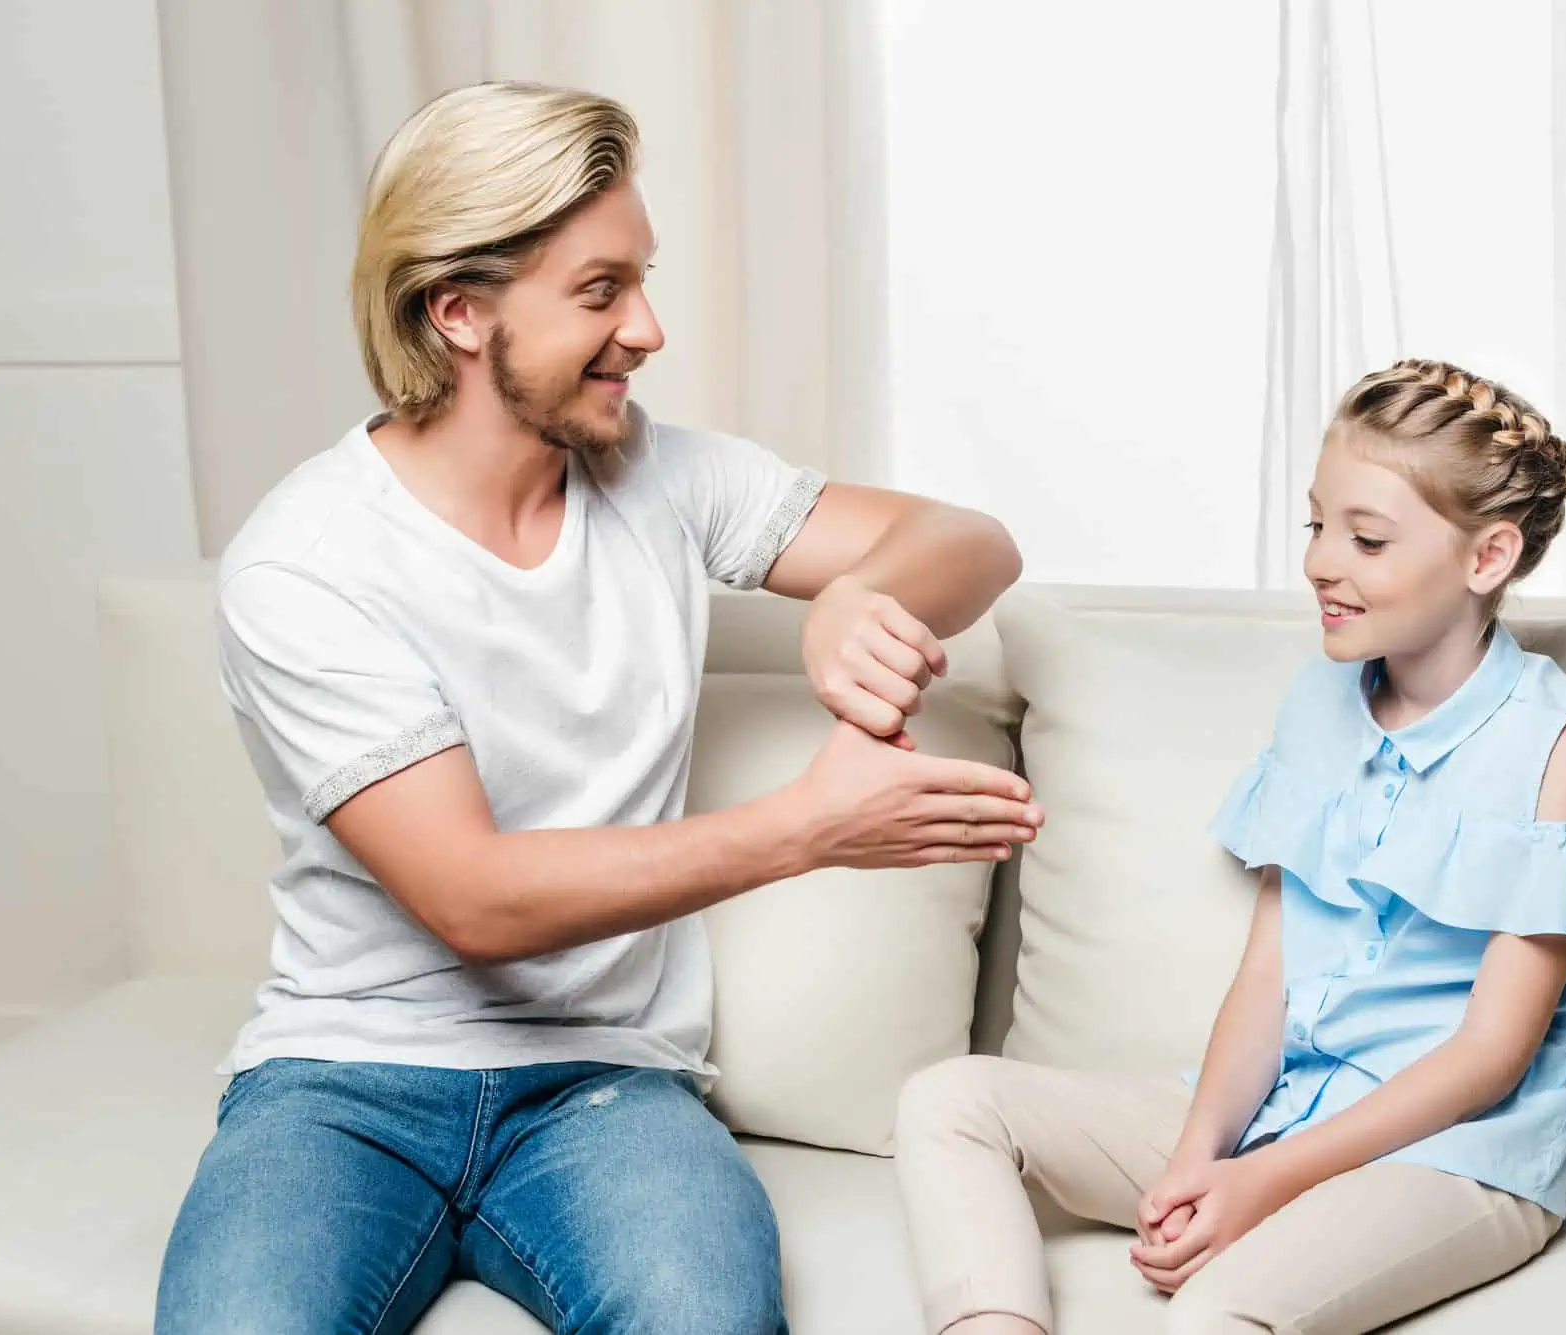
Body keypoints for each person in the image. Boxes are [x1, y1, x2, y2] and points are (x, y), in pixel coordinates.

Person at [155, 81, 1042, 1335]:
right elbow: (474, 898)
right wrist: (805, 826)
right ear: (457, 311)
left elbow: (972, 542)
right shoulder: (308, 562)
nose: (648, 328)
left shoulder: (664, 480)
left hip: (605, 1090)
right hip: (341, 1085)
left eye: (642, 280)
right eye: (600, 291)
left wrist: (858, 592)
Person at [894, 359, 1566, 1335]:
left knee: (1214, 1312)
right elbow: (1268, 972)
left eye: (1364, 537)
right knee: (951, 1102)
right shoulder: (1319, 700)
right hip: (1281, 1107)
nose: (1320, 561)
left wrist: (1260, 1183)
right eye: (1316, 526)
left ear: (1485, 557)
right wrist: (1199, 1154)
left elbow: (1490, 1054)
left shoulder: (1563, 745)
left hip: (1453, 1154)